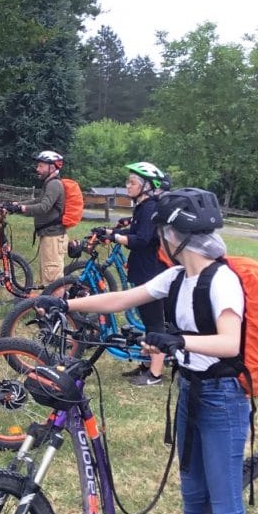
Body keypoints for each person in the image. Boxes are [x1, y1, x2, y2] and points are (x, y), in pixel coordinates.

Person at [36, 188, 258, 514]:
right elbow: (123, 298)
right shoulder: (176, 277)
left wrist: (180, 343)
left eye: (165, 232)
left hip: (222, 396)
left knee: (226, 505)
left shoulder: (222, 281)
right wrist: (66, 304)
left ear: (177, 237)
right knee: (193, 493)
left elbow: (230, 344)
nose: (162, 238)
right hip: (192, 391)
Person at [107, 161, 172, 386]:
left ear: (147, 186)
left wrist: (116, 237)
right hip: (143, 270)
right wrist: (111, 232)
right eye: (128, 181)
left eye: (132, 182)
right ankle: (146, 363)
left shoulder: (151, 208)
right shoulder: (143, 207)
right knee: (146, 320)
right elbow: (134, 232)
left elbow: (142, 239)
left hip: (151, 272)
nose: (128, 186)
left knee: (155, 323)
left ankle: (155, 374)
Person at [9, 150, 69, 285]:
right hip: (49, 236)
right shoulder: (49, 183)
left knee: (52, 278)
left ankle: (56, 304)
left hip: (53, 237)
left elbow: (43, 207)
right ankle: (49, 303)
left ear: (52, 167)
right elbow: (38, 201)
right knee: (48, 275)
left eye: (41, 166)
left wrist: (22, 208)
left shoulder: (54, 184)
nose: (37, 169)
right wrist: (17, 205)